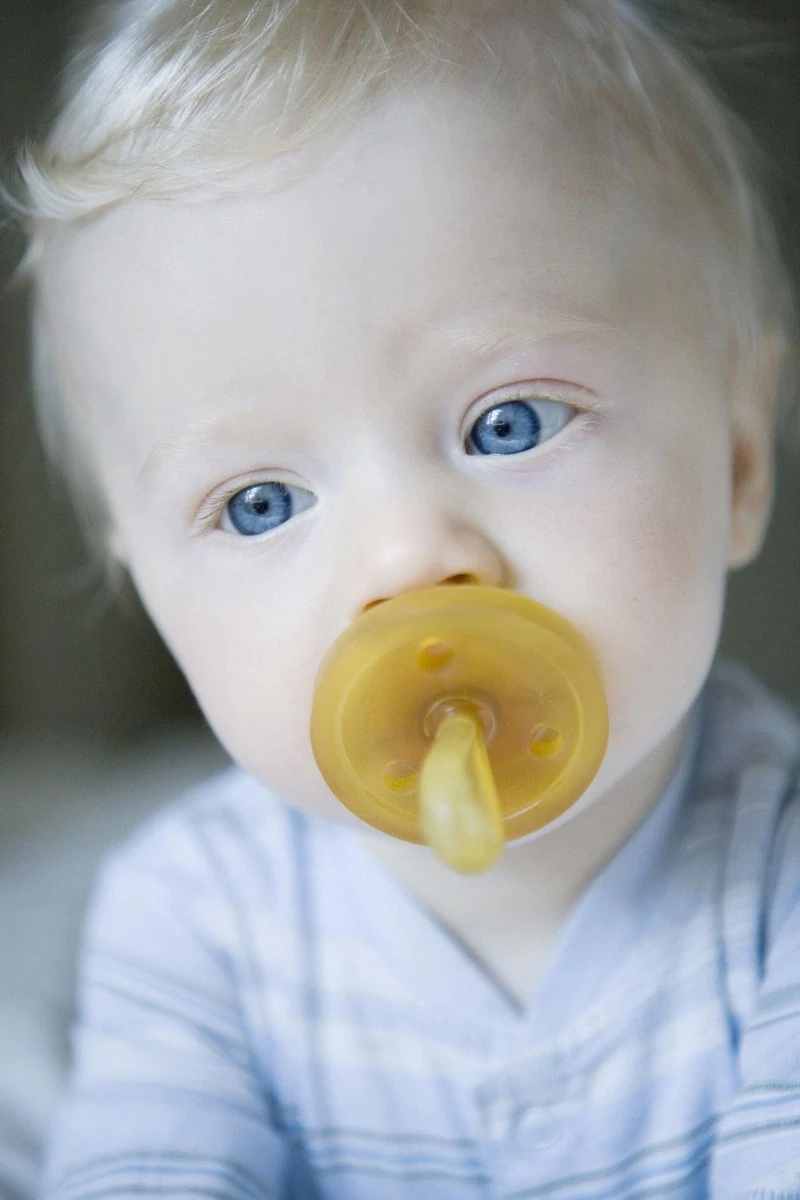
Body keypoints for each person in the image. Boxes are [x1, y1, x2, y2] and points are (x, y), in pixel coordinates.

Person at [11, 0, 800, 1195]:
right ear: (150, 595)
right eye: (260, 504)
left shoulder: (777, 887)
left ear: (738, 459)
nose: (406, 562)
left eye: (508, 423)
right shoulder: (191, 927)